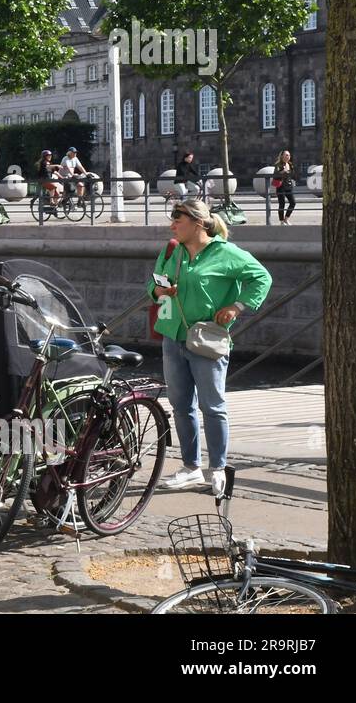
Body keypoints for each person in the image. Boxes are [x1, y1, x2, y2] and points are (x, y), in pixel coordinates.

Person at [148, 199, 272, 494]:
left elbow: (262, 278)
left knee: (212, 407)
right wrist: (159, 290)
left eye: (177, 219)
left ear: (198, 223)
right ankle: (191, 468)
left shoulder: (226, 253)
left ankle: (218, 468)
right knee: (180, 406)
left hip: (207, 340)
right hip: (172, 335)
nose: (172, 224)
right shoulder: (173, 252)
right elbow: (154, 283)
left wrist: (237, 306)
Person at [273, 150, 296, 224]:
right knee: (282, 203)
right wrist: (283, 171)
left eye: (289, 155)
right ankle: (281, 221)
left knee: (293, 202)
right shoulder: (278, 165)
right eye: (286, 155)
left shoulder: (290, 164)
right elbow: (275, 175)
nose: (288, 157)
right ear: (282, 156)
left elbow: (292, 174)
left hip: (288, 186)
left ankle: (286, 218)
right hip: (281, 186)